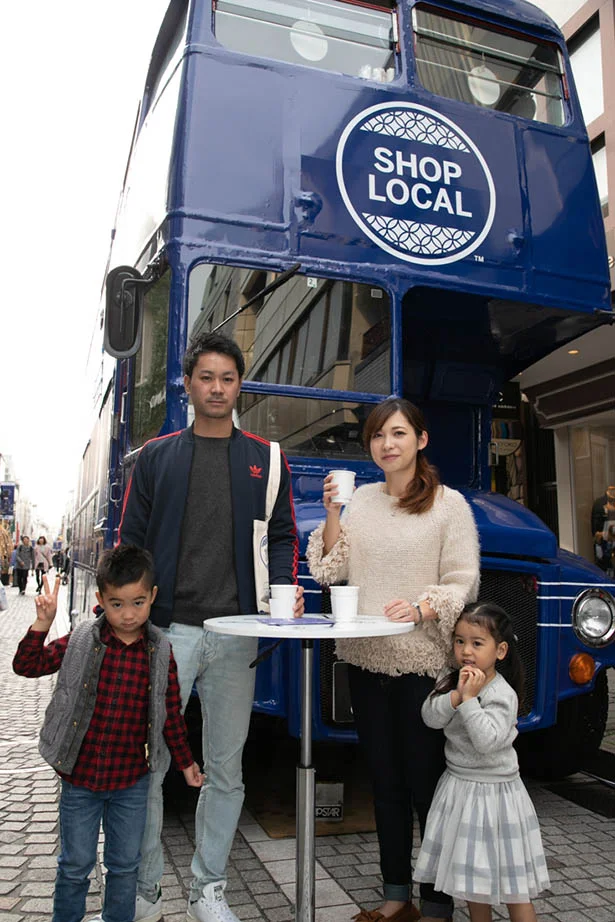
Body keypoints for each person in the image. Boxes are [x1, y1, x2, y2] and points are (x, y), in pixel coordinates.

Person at [118, 330, 303, 922]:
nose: (217, 388)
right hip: (167, 634)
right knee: (150, 764)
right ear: (189, 384)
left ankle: (208, 889)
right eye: (206, 378)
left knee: (227, 769)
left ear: (239, 384)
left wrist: (281, 593)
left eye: (227, 378)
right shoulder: (155, 457)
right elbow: (131, 544)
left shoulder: (266, 458)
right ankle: (145, 890)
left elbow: (280, 537)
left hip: (236, 633)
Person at [306, 397, 480, 922]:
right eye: (379, 436)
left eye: (399, 434)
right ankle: (395, 895)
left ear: (421, 440)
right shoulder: (360, 501)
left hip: (423, 666)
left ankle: (437, 902)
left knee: (426, 782)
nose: (388, 444)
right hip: (364, 660)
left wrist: (422, 607)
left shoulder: (449, 505)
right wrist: (333, 511)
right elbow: (329, 569)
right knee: (383, 781)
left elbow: (462, 579)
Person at [12, 546, 203, 922]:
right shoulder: (82, 639)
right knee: (74, 866)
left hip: (131, 782)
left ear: (153, 597)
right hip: (80, 779)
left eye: (137, 602)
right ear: (100, 600)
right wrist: (42, 624)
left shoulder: (160, 650)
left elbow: (170, 714)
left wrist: (186, 763)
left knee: (124, 867)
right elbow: (27, 665)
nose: (128, 614)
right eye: (117, 604)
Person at [414, 603, 550, 922]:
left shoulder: (502, 694)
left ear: (500, 650)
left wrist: (470, 701)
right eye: (459, 641)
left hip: (497, 796)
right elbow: (430, 717)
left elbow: (487, 742)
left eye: (477, 643)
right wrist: (455, 697)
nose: (466, 651)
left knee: (515, 889)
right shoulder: (450, 679)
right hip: (460, 789)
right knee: (472, 884)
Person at [591, 486, 615, 573]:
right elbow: (596, 530)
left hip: (608, 539)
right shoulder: (599, 504)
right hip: (605, 541)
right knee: (604, 564)